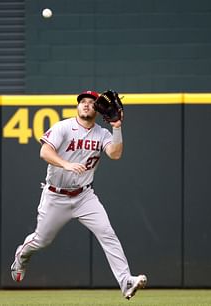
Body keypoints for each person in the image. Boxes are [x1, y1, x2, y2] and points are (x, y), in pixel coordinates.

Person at [10, 90, 147, 299]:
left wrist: (117, 127)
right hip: (56, 196)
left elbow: (115, 154)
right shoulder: (64, 127)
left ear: (99, 109)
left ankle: (126, 280)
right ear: (77, 106)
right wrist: (66, 164)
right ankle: (21, 255)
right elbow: (44, 152)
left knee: (107, 233)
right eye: (82, 101)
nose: (86, 105)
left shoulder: (102, 133)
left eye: (91, 102)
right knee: (41, 240)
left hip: (84, 196)